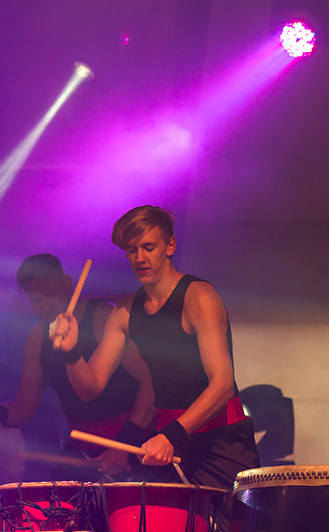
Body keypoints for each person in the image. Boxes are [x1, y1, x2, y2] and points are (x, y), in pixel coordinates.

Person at [50, 206, 260, 491]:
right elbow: (90, 388)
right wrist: (71, 352)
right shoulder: (125, 312)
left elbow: (222, 385)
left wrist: (170, 436)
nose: (140, 258)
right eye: (132, 250)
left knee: (234, 515)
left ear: (170, 246)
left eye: (148, 248)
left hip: (221, 441)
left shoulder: (199, 297)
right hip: (168, 442)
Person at [0, 253, 156, 480]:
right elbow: (23, 408)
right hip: (82, 449)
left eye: (50, 295)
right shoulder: (37, 339)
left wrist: (125, 443)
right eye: (37, 301)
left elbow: (153, 381)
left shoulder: (103, 318)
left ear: (68, 284)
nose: (46, 306)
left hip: (135, 445)